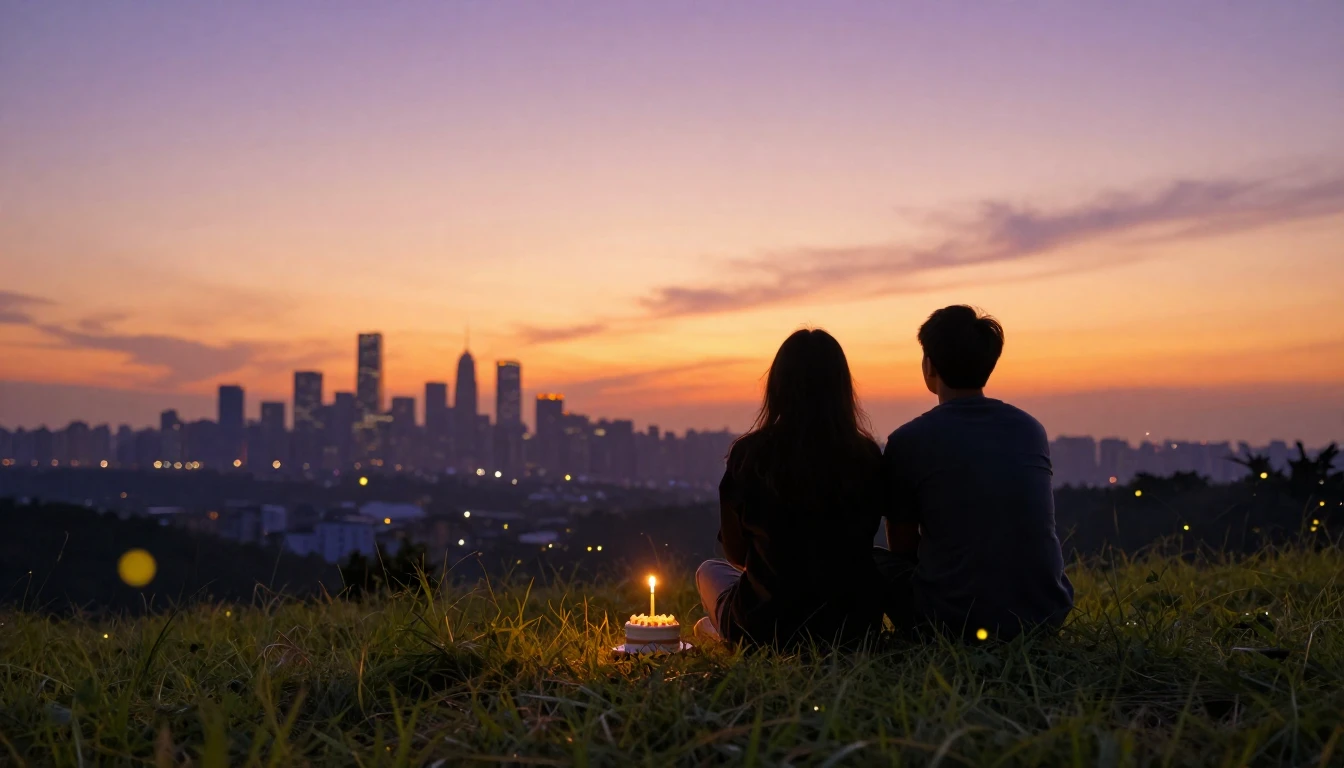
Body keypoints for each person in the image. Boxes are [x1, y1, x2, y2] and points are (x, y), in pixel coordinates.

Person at [877, 305, 1074, 640]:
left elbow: (903, 547)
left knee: (869, 562)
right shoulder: (1029, 429)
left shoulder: (909, 440)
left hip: (952, 623)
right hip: (1043, 616)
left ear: (929, 365)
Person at [695, 328, 886, 648]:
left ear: (777, 387)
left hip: (766, 627)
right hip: (852, 629)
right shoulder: (865, 455)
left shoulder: (750, 455)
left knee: (708, 572)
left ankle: (720, 631)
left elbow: (737, 555)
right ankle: (718, 630)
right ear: (841, 387)